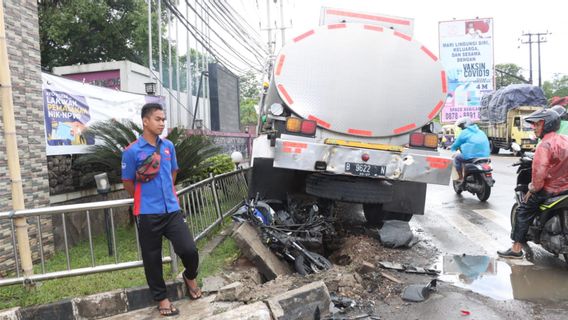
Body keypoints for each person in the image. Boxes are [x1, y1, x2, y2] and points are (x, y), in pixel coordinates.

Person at [121, 103, 202, 317]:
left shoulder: (168, 147)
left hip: (172, 209)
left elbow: (173, 173)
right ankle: (162, 298)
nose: (162, 123)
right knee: (152, 258)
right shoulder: (131, 152)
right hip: (147, 212)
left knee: (189, 249)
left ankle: (190, 276)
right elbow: (128, 182)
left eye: (163, 119)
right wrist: (146, 197)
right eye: (158, 119)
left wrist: (166, 193)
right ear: (145, 121)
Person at [498, 109, 568, 258]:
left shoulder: (544, 145)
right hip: (565, 189)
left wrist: (531, 189)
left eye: (537, 124)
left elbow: (539, 176)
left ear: (547, 125)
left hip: (550, 190)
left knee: (523, 210)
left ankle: (516, 249)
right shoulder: (566, 140)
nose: (533, 128)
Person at [450, 117, 490, 184]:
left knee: (457, 158)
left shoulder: (465, 132)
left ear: (465, 124)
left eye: (462, 126)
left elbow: (456, 144)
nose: (461, 128)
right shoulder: (480, 131)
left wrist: (453, 148)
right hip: (485, 156)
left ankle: (461, 177)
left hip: (471, 156)